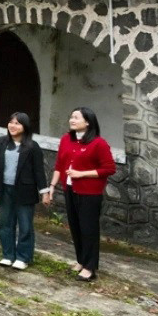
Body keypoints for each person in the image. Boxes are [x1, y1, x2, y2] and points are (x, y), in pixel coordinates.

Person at [0, 112, 49, 269]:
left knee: (25, 225)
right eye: (11, 122)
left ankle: (23, 257)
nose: (13, 126)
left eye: (17, 123)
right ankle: (8, 255)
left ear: (25, 127)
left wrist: (44, 192)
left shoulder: (32, 147)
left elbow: (39, 172)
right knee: (5, 223)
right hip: (4, 189)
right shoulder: (1, 142)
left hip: (25, 191)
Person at [50, 107, 116, 282]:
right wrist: (52, 185)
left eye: (76, 118)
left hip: (90, 192)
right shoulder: (66, 139)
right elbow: (59, 164)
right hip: (70, 190)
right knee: (75, 226)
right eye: (71, 117)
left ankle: (90, 267)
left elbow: (109, 169)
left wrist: (81, 174)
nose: (72, 120)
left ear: (87, 122)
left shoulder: (98, 143)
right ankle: (81, 260)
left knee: (88, 229)